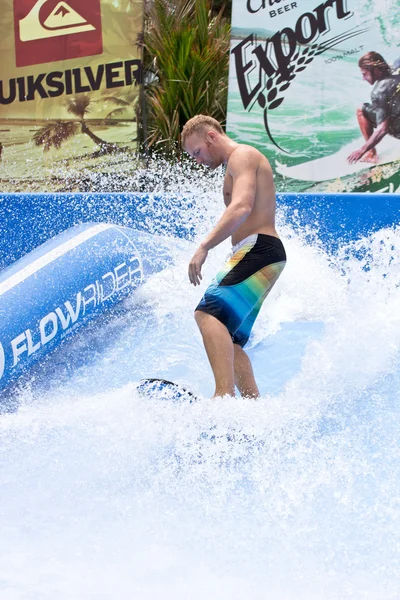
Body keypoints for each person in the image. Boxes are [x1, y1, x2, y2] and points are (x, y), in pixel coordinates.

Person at [181, 115, 286, 399]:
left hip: (260, 248)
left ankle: (222, 399)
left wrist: (204, 246)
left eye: (197, 152)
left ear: (211, 137)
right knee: (230, 338)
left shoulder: (243, 155)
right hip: (263, 252)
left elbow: (241, 206)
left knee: (207, 314)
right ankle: (253, 410)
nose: (197, 160)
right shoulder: (233, 166)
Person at [347, 51, 400, 164]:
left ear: (375, 70)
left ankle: (371, 154)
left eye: (364, 73)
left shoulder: (379, 91)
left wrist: (362, 150)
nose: (363, 78)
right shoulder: (397, 65)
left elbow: (383, 129)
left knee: (361, 110)